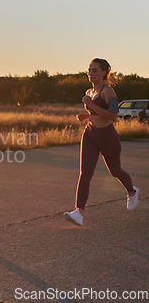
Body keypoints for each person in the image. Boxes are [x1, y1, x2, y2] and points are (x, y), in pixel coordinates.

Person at [64, 58, 139, 226]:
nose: (90, 73)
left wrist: (91, 105)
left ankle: (132, 192)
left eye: (95, 70)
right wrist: (86, 115)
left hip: (107, 136)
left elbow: (113, 116)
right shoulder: (89, 92)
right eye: (89, 70)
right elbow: (96, 113)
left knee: (115, 171)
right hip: (90, 134)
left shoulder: (108, 91)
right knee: (85, 173)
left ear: (103, 72)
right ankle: (78, 213)